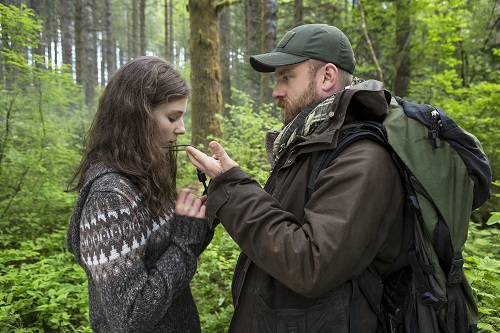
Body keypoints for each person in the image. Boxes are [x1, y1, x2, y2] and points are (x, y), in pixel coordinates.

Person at [186, 24, 405, 332]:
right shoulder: (310, 145)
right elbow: (282, 229)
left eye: (286, 77)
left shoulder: (362, 157)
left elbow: (311, 264)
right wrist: (233, 181)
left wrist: (234, 190)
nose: (276, 91)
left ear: (327, 76)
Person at [66, 56, 213, 333]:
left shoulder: (142, 175)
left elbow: (164, 256)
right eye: (173, 117)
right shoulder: (110, 198)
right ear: (138, 117)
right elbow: (130, 317)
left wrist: (204, 216)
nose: (181, 129)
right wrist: (184, 239)